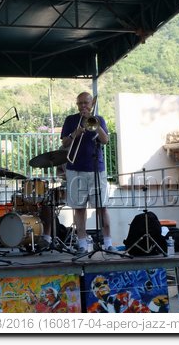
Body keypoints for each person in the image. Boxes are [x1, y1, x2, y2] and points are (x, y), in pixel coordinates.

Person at [60, 92, 113, 253]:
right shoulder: (70, 120)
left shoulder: (99, 119)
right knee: (79, 207)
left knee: (101, 207)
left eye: (86, 103)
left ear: (91, 104)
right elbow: (64, 143)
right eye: (80, 103)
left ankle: (108, 242)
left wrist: (95, 124)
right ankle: (82, 243)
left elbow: (105, 140)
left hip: (96, 169)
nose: (83, 106)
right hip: (75, 169)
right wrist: (73, 134)